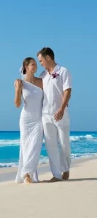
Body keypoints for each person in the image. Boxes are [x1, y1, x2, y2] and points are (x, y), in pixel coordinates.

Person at [37, 47, 72, 182]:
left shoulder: (63, 71)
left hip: (61, 113)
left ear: (48, 58)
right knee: (50, 145)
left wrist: (62, 108)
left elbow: (68, 91)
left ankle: (65, 169)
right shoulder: (42, 75)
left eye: (41, 60)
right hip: (46, 114)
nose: (40, 63)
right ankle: (56, 174)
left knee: (64, 144)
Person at [14, 57, 43, 184]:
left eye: (36, 64)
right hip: (26, 119)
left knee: (35, 146)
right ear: (26, 67)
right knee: (26, 147)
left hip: (38, 119)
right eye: (33, 64)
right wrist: (17, 90)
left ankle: (27, 173)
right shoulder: (20, 82)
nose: (35, 66)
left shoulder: (42, 81)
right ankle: (27, 175)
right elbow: (17, 104)